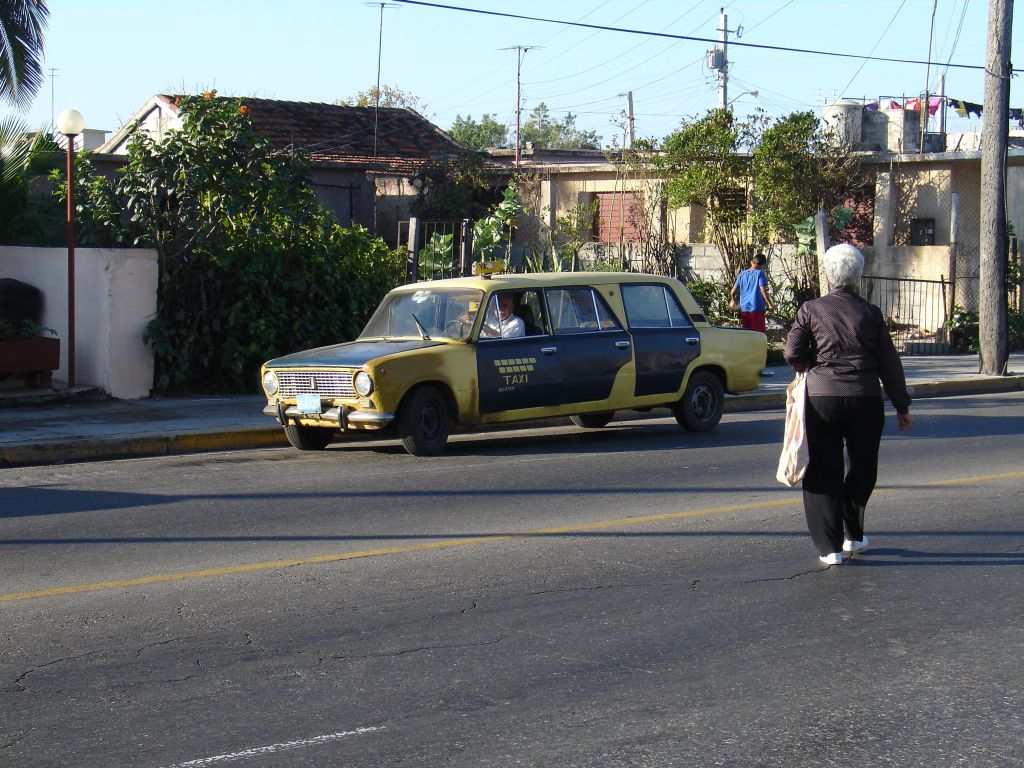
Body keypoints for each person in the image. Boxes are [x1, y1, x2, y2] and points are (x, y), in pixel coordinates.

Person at [784, 243, 912, 567]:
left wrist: (809, 365)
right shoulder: (871, 313)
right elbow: (889, 363)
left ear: (828, 275)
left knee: (823, 469)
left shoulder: (810, 309)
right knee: (862, 467)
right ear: (858, 275)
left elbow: (792, 353)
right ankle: (853, 534)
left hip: (822, 400)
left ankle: (830, 548)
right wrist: (902, 405)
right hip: (866, 400)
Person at [730, 253, 774, 333]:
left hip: (744, 308)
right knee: (759, 334)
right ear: (762, 265)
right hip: (756, 308)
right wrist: (770, 304)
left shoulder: (742, 274)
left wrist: (734, 300)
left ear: (752, 262)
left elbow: (733, 291)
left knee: (748, 333)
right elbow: (763, 290)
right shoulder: (760, 273)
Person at [460, 293, 525, 338]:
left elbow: (503, 341)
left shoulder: (517, 323)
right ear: (493, 308)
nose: (500, 309)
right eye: (498, 305)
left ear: (511, 308)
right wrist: (467, 322)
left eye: (504, 306)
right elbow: (480, 336)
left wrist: (479, 324)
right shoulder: (490, 320)